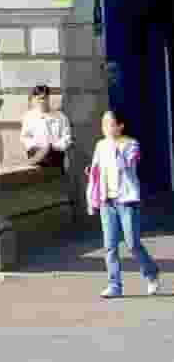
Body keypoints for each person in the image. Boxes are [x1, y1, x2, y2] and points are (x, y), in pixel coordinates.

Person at [87, 107, 160, 297]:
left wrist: (115, 148)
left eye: (109, 124)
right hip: (107, 201)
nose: (105, 128)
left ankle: (151, 272)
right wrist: (92, 184)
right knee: (110, 246)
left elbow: (127, 164)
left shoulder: (130, 144)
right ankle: (114, 285)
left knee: (132, 243)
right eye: (103, 124)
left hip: (127, 201)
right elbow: (96, 171)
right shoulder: (100, 145)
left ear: (120, 126)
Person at [20, 83, 72, 169]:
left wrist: (55, 146)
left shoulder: (60, 117)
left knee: (49, 151)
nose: (42, 101)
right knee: (42, 153)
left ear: (48, 98)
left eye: (44, 98)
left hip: (55, 154)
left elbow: (67, 137)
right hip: (36, 151)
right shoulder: (29, 117)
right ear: (34, 99)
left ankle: (38, 157)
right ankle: (38, 157)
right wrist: (35, 145)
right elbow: (25, 137)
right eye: (39, 99)